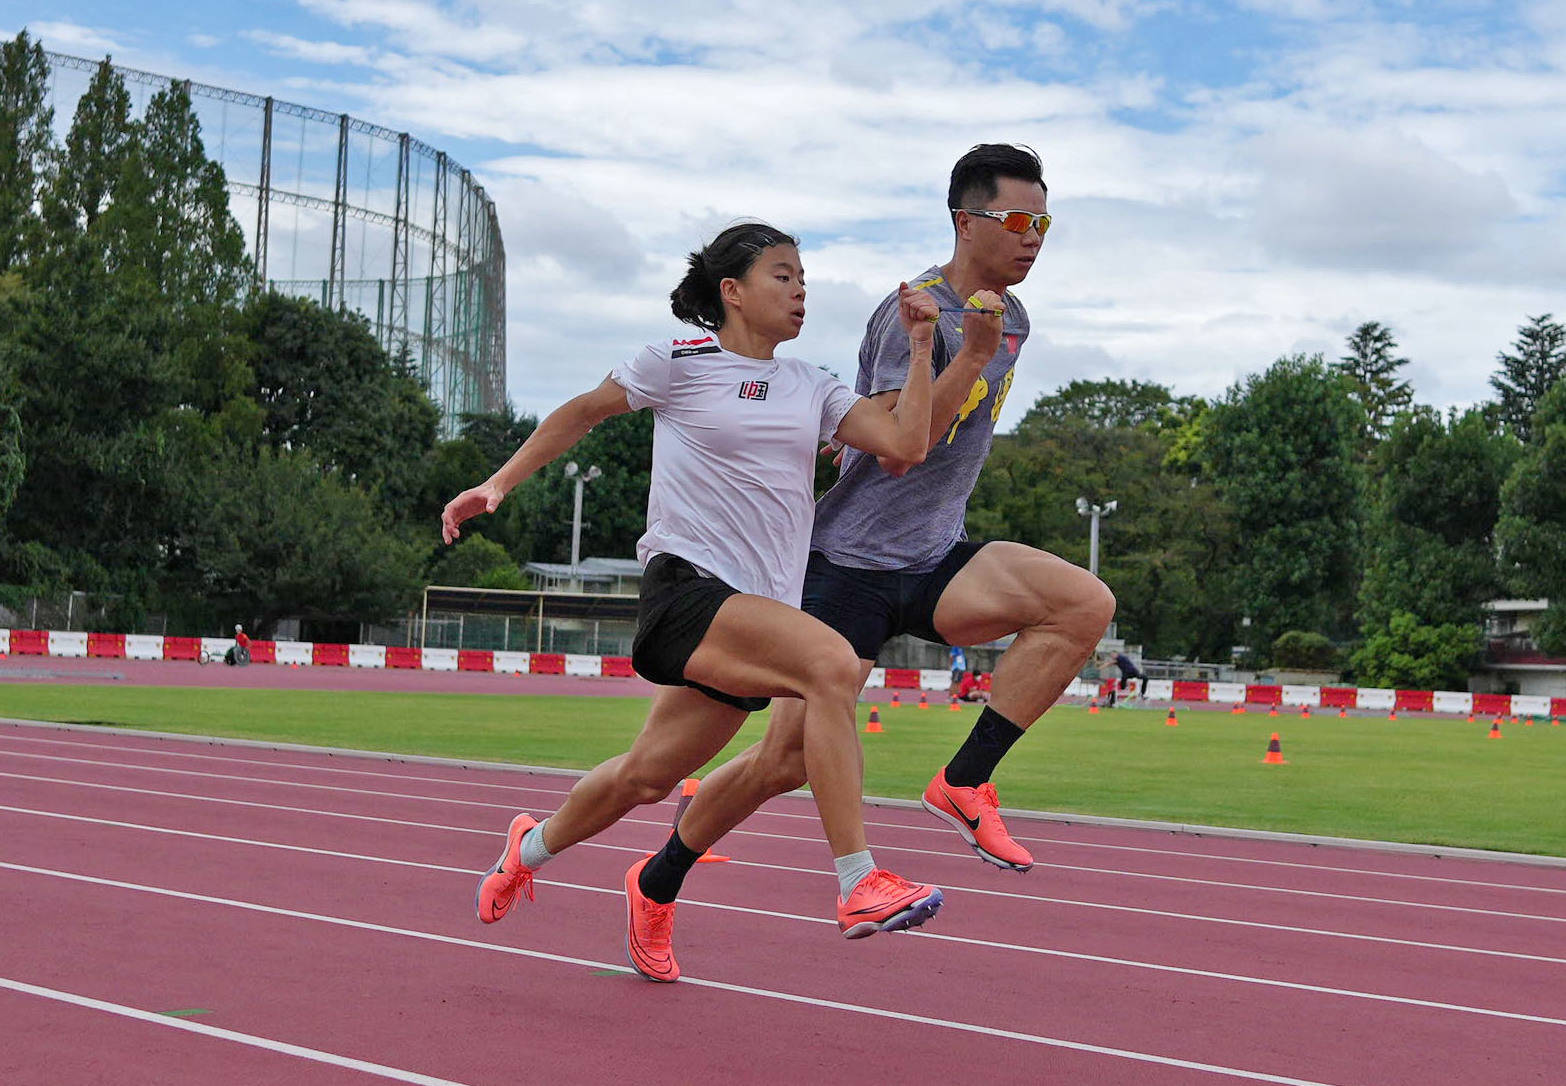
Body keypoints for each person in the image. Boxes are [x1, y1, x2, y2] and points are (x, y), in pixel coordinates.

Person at [441, 222, 984, 983]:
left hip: (754, 619)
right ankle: (859, 879)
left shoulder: (813, 385)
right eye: (782, 276)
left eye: (804, 278)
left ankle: (526, 848)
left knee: (645, 779)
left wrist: (926, 351)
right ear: (731, 291)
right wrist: (498, 483)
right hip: (687, 590)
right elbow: (582, 411)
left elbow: (904, 446)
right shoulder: (678, 362)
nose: (800, 290)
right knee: (831, 664)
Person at [646, 146, 1116, 942]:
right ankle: (657, 882)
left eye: (1046, 223)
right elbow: (908, 443)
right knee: (783, 762)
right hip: (849, 565)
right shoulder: (914, 311)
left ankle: (965, 783)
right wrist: (955, 356)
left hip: (934, 555)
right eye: (1018, 221)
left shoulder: (1015, 318)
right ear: (967, 223)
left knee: (1082, 603)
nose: (1035, 237)